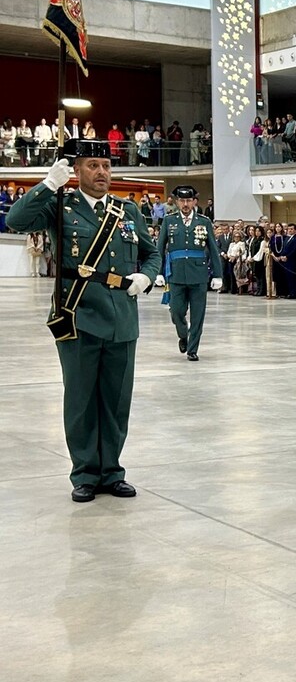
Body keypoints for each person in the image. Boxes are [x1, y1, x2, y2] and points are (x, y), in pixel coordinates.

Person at [7, 140, 161, 502]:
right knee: (80, 400)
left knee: (116, 400)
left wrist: (147, 276)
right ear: (76, 172)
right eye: (92, 165)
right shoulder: (60, 205)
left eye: (106, 166)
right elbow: (15, 221)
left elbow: (151, 253)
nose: (102, 172)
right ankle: (85, 473)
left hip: (122, 317)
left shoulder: (127, 211)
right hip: (77, 315)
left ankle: (112, 472)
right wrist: (47, 184)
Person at [154, 185, 223, 361]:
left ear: (194, 202)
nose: (185, 204)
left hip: (199, 274)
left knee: (198, 314)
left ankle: (193, 349)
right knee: (176, 311)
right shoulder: (169, 221)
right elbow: (160, 248)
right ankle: (183, 334)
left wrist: (218, 275)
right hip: (176, 274)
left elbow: (213, 249)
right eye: (182, 200)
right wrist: (158, 272)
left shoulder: (204, 221)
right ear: (177, 202)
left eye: (188, 200)